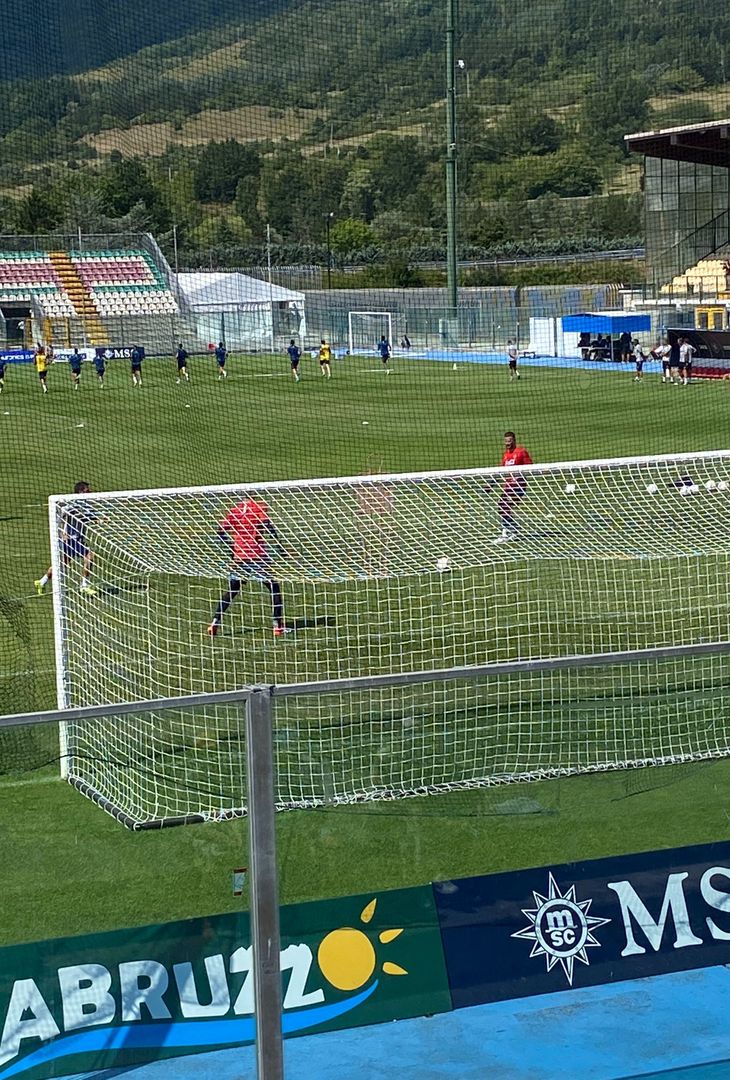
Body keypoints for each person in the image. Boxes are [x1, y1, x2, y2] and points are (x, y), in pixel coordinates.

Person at [207, 497, 291, 637]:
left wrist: (232, 551)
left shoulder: (234, 511)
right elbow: (268, 525)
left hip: (240, 557)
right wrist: (279, 547)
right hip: (257, 556)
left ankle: (215, 621)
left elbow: (220, 532)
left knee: (232, 591)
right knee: (273, 587)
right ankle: (277, 626)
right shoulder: (258, 508)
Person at [35, 481, 96, 596]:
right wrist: (63, 530)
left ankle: (41, 581)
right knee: (89, 557)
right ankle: (84, 585)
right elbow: (62, 514)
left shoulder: (88, 505)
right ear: (81, 492)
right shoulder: (73, 503)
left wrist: (100, 520)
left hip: (78, 539)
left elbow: (92, 517)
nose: (90, 492)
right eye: (88, 490)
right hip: (70, 540)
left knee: (62, 564)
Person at [492, 431, 532, 543]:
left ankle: (507, 533)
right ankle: (512, 529)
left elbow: (530, 467)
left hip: (519, 486)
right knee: (502, 507)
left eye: (509, 441)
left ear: (514, 440)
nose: (507, 444)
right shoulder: (506, 455)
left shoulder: (521, 452)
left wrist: (519, 476)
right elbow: (501, 471)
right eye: (506, 442)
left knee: (503, 505)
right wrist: (491, 484)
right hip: (508, 486)